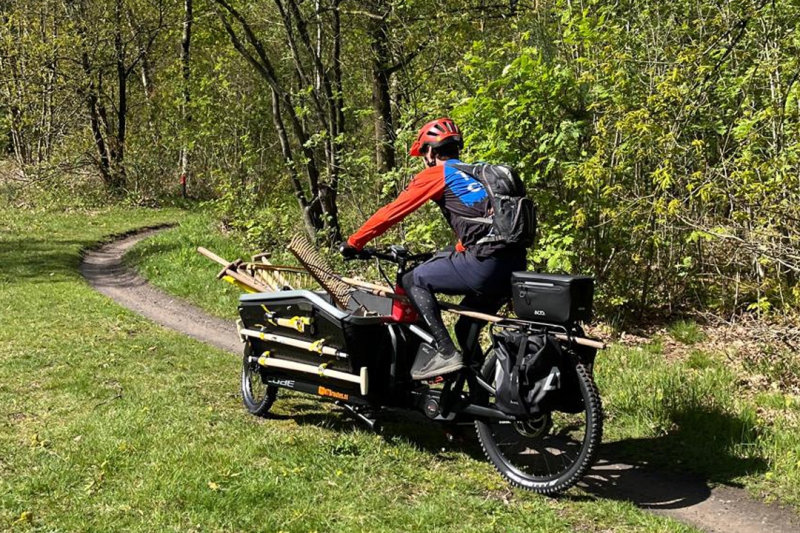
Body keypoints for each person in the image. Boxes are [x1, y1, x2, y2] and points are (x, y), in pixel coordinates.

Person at [340, 117, 527, 380]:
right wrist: (456, 249)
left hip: (484, 265)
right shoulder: (477, 174)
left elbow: (392, 213)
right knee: (466, 328)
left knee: (412, 278)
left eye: (423, 154)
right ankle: (475, 394)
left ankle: (444, 351)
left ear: (430, 151)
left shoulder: (438, 174)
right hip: (514, 267)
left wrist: (354, 242)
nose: (423, 159)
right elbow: (483, 225)